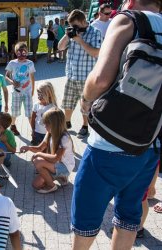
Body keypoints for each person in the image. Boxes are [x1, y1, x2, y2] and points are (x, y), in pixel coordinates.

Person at [72, 0, 162, 249]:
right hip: (149, 144)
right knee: (128, 217)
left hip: (109, 144)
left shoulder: (128, 20)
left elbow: (100, 78)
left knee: (87, 218)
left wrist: (86, 102)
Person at [58, 9, 101, 139]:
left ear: (84, 21)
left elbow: (95, 53)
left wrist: (79, 40)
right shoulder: (72, 32)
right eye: (72, 26)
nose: (74, 28)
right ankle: (67, 122)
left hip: (86, 76)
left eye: (76, 25)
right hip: (71, 74)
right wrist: (67, 35)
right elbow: (60, 47)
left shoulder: (95, 33)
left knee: (86, 104)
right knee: (67, 102)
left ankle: (85, 126)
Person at [21, 108, 75, 194]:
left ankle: (52, 186)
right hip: (56, 165)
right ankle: (61, 178)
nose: (44, 126)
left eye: (46, 124)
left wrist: (39, 154)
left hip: (64, 167)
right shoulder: (50, 132)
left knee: (38, 161)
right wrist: (28, 148)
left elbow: (55, 158)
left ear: (54, 124)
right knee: (36, 185)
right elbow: (39, 148)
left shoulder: (64, 138)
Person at [5, 41, 35, 136]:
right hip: (16, 92)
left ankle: (34, 131)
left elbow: (32, 78)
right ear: (15, 52)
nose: (21, 55)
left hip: (27, 92)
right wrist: (12, 82)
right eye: (19, 53)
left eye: (24, 52)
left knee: (29, 113)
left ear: (27, 52)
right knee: (15, 112)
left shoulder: (30, 63)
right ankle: (13, 125)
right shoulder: (12, 63)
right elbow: (6, 76)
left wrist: (33, 90)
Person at [30, 81, 57, 146]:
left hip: (48, 134)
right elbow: (33, 118)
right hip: (37, 132)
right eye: (38, 94)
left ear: (49, 94)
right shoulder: (36, 105)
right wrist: (33, 130)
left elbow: (55, 123)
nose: (39, 96)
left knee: (47, 150)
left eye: (41, 94)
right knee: (37, 148)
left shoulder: (53, 107)